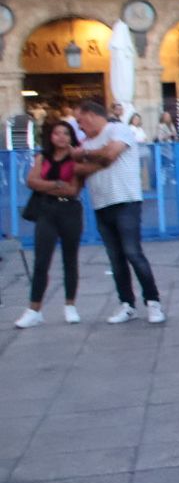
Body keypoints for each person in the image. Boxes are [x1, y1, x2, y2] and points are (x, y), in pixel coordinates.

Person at [71, 101, 163, 325]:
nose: (79, 127)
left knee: (132, 252)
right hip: (101, 203)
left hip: (125, 200)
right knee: (115, 257)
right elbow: (78, 168)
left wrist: (86, 154)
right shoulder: (87, 142)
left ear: (91, 115)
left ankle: (152, 301)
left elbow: (111, 154)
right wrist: (97, 159)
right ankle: (127, 303)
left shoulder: (117, 129)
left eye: (80, 121)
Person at [14, 119, 83, 328]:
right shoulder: (42, 157)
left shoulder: (77, 159)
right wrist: (56, 184)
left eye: (66, 133)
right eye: (57, 133)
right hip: (46, 210)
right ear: (50, 137)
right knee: (41, 260)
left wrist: (46, 186)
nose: (61, 137)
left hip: (70, 210)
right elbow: (31, 181)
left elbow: (73, 190)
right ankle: (34, 309)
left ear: (72, 137)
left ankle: (70, 305)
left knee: (70, 259)